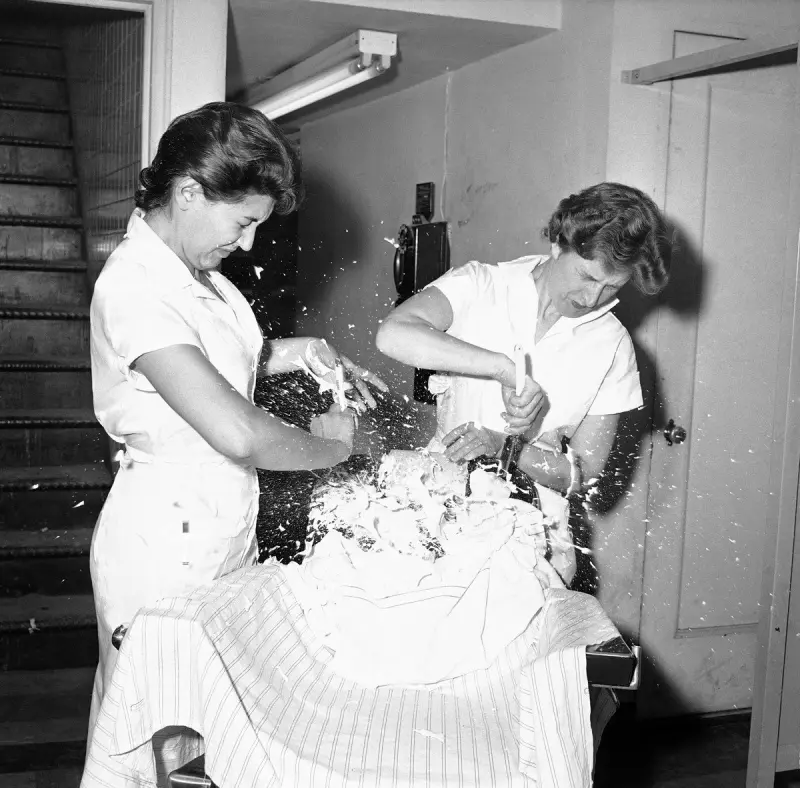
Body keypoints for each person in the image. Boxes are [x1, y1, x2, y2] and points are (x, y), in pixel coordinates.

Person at [87, 102, 386, 734]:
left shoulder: (203, 276)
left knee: (216, 723)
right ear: (189, 192)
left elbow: (214, 361)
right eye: (243, 222)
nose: (247, 243)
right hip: (164, 544)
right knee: (164, 733)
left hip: (218, 524)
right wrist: (334, 448)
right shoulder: (135, 286)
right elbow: (237, 432)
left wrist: (301, 351)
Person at [375, 181, 671, 502]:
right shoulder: (480, 285)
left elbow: (583, 474)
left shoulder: (612, 344)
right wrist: (501, 368)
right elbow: (393, 334)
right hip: (440, 496)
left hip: (530, 516)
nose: (592, 298)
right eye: (587, 276)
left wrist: (507, 447)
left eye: (611, 287)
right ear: (558, 244)